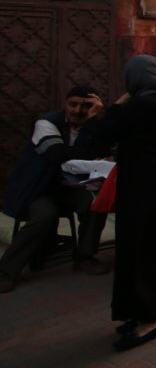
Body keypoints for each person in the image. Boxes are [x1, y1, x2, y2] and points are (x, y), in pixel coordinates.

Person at [91, 56, 156, 350]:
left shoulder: (141, 105)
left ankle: (149, 321)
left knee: (140, 252)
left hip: (145, 189)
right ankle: (155, 309)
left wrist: (115, 106)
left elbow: (101, 137)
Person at [0, 85, 112, 292]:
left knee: (94, 204)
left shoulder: (92, 125)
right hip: (37, 188)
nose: (78, 110)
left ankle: (85, 256)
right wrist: (87, 152)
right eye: (73, 104)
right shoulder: (46, 123)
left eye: (86, 106)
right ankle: (6, 270)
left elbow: (103, 149)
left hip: (68, 188)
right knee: (45, 215)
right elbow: (56, 154)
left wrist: (95, 121)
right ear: (65, 104)